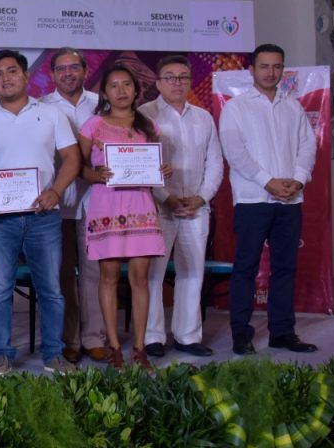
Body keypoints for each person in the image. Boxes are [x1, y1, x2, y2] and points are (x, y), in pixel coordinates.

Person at [0, 49, 80, 376]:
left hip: (44, 216)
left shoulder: (52, 114)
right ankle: (3, 354)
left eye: (12, 71)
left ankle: (54, 353)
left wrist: (56, 190)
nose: (6, 78)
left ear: (26, 76)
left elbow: (72, 158)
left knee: (51, 289)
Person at [218, 44, 318, 355]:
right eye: (264, 66)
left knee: (285, 268)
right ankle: (241, 334)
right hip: (253, 200)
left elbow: (307, 145)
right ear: (251, 70)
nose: (270, 72)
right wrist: (268, 182)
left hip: (290, 200)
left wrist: (297, 179)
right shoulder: (236, 107)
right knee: (246, 267)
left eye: (276, 66)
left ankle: (282, 332)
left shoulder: (293, 107)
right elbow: (235, 153)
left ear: (282, 70)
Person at [78, 63, 168, 373]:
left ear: (136, 89)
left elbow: (152, 166)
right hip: (107, 207)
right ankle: (114, 347)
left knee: (140, 278)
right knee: (109, 276)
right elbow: (80, 169)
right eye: (113, 85)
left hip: (141, 206)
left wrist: (161, 171)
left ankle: (139, 349)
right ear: (104, 92)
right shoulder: (93, 125)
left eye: (126, 84)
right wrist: (97, 174)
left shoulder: (149, 126)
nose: (121, 91)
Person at [138, 55, 223, 358]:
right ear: (158, 82)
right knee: (153, 274)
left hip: (196, 207)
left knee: (192, 272)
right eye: (170, 77)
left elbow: (215, 162)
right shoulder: (143, 115)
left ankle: (187, 336)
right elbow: (139, 165)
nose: (177, 82)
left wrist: (201, 197)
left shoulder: (203, 117)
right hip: (158, 206)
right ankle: (152, 337)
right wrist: (167, 198)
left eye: (183, 77)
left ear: (190, 81)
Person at [39, 47, 107, 364]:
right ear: (52, 74)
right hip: (58, 204)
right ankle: (69, 340)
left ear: (85, 70)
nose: (68, 73)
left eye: (73, 67)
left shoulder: (102, 104)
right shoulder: (41, 108)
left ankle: (94, 338)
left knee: (94, 274)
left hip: (97, 202)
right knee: (62, 275)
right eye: (61, 69)